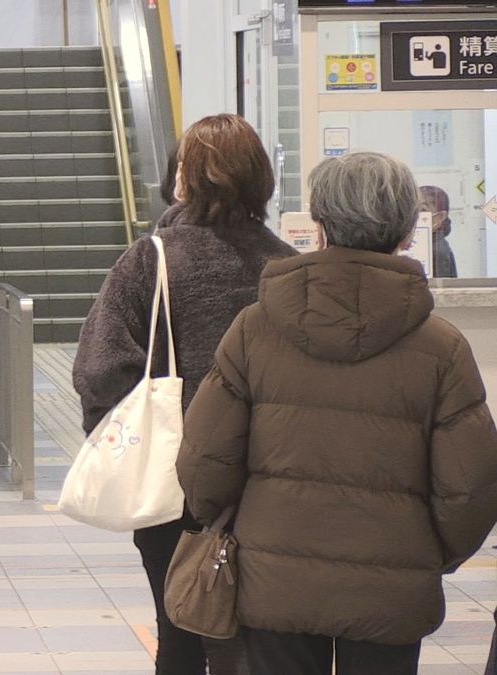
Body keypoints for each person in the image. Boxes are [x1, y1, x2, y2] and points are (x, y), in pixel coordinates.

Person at [177, 151, 497, 675]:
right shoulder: (441, 347)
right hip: (392, 584)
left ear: (320, 225)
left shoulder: (255, 329)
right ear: (404, 232)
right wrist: (431, 555)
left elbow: (204, 458)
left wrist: (236, 526)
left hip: (272, 576)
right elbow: (472, 484)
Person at [72, 113, 295, 675]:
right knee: (264, 635)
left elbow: (99, 370)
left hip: (173, 483)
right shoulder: (290, 269)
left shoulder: (153, 258)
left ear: (183, 180)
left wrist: (124, 433)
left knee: (181, 630)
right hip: (273, 481)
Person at [419, 185, 457, 278]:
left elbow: (439, 290)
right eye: (411, 209)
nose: (415, 215)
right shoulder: (422, 246)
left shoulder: (437, 252)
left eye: (422, 210)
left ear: (439, 218)